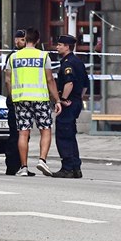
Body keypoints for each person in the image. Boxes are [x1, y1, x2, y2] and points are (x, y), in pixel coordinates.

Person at [5, 28, 62, 177]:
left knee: (23, 133)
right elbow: (50, 80)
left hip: (21, 99)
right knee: (46, 129)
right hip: (40, 98)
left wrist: (13, 96)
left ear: (25, 39)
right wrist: (57, 100)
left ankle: (23, 166)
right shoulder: (43, 56)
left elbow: (7, 79)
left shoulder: (14, 57)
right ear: (37, 40)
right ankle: (42, 160)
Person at [53, 34, 88, 178]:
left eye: (60, 45)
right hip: (76, 102)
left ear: (67, 47)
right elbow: (85, 84)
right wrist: (78, 98)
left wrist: (62, 99)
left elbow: (69, 83)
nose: (57, 47)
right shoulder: (78, 62)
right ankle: (75, 168)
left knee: (63, 135)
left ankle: (67, 168)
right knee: (71, 135)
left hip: (68, 103)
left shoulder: (67, 63)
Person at [2, 29, 27, 175]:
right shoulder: (12, 56)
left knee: (23, 135)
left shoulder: (24, 56)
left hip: (25, 100)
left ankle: (22, 165)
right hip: (16, 100)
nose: (18, 42)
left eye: (21, 39)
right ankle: (12, 166)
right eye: (17, 39)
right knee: (15, 135)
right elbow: (7, 79)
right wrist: (12, 97)